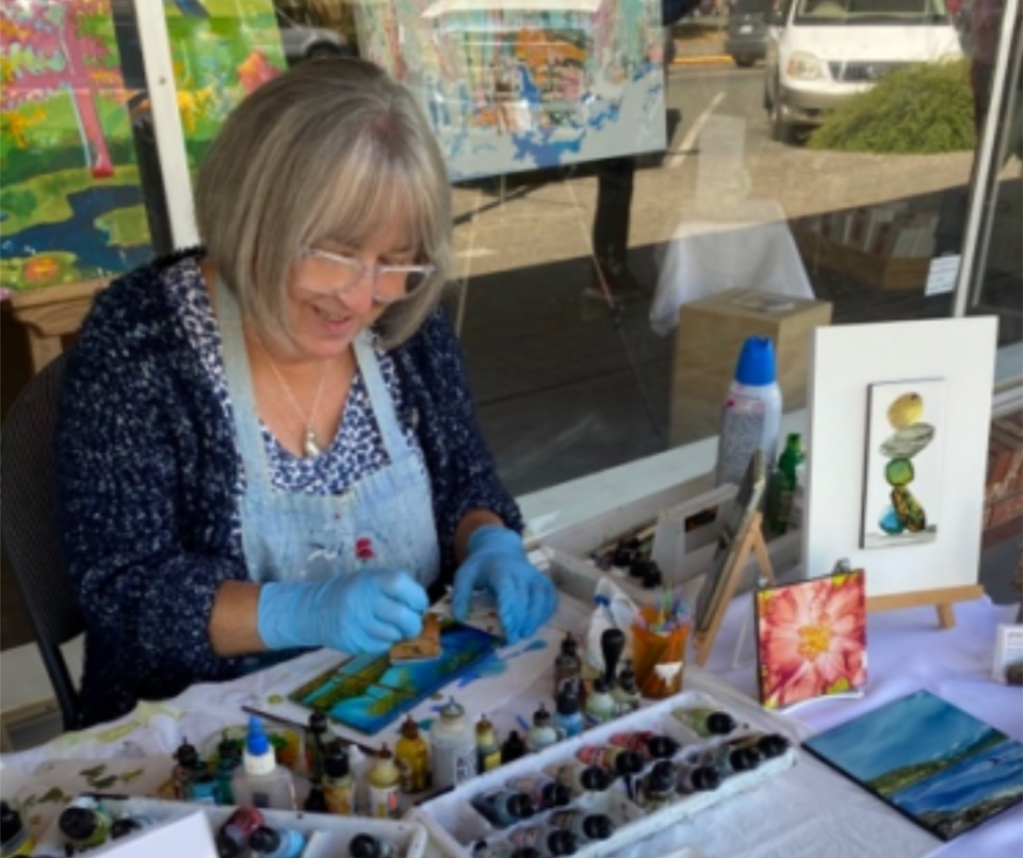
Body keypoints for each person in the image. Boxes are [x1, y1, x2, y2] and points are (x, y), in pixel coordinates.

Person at [56, 57, 558, 727]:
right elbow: (123, 591)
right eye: (334, 253)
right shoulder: (140, 344)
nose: (360, 297)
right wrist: (294, 610)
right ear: (252, 216)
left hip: (409, 701)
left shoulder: (403, 324)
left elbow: (464, 480)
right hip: (213, 736)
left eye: (395, 262)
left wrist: (489, 542)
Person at [590, 0, 701, 300]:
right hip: (615, 100)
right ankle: (609, 273)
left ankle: (608, 270)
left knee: (613, 189)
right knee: (616, 189)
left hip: (606, 97)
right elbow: (661, 10)